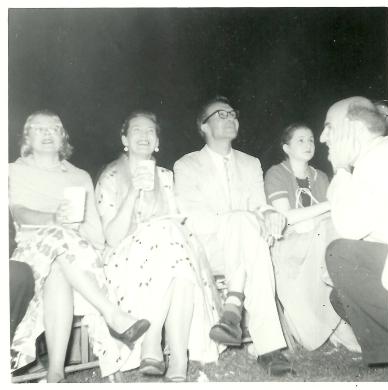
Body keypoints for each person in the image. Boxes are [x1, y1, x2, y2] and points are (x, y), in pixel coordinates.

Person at [9, 110, 150, 382]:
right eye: (39, 128)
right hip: (32, 257)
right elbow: (20, 213)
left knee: (61, 266)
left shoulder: (79, 176)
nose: (48, 133)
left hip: (74, 256)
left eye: (54, 128)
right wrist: (54, 219)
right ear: (27, 137)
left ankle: (56, 375)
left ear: (63, 137)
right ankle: (112, 314)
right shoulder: (14, 171)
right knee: (59, 242)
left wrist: (77, 229)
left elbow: (96, 235)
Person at [95, 110, 223, 382]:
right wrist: (134, 192)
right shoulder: (111, 176)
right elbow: (112, 238)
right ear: (124, 139)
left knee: (177, 261)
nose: (144, 136)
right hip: (127, 263)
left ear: (157, 143)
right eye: (137, 131)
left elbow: (177, 220)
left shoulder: (165, 176)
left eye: (150, 132)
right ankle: (169, 351)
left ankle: (168, 353)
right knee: (171, 245)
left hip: (169, 255)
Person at [174, 96, 294, 376]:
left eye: (233, 114)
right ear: (203, 126)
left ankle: (233, 309)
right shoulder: (187, 165)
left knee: (252, 242)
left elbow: (259, 204)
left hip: (248, 245)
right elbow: (193, 218)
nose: (231, 119)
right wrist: (239, 219)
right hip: (209, 249)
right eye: (222, 115)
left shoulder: (251, 163)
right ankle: (269, 347)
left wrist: (269, 214)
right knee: (245, 230)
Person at [264, 123, 359, 351]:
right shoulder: (276, 173)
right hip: (288, 244)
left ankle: (339, 321)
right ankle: (335, 281)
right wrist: (328, 205)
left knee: (329, 225)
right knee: (326, 225)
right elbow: (287, 217)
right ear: (286, 148)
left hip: (319, 239)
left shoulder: (321, 176)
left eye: (311, 140)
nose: (308, 144)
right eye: (300, 140)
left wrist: (322, 213)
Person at [320, 96, 388, 367]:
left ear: (355, 128)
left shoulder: (378, 158)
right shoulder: (379, 153)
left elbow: (350, 228)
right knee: (340, 297)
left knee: (340, 254)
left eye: (329, 127)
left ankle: (387, 353)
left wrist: (339, 169)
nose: (323, 137)